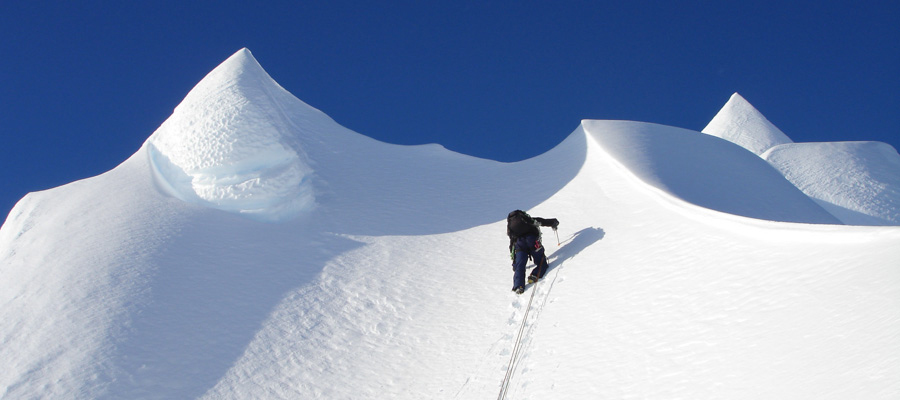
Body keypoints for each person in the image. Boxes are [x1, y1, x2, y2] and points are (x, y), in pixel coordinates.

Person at [506, 210, 559, 294]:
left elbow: (512, 244)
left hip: (519, 244)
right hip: (533, 241)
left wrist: (514, 264)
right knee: (541, 262)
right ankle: (534, 275)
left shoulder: (511, 227)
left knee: (520, 266)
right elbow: (541, 221)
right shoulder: (527, 220)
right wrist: (553, 222)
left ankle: (518, 286)